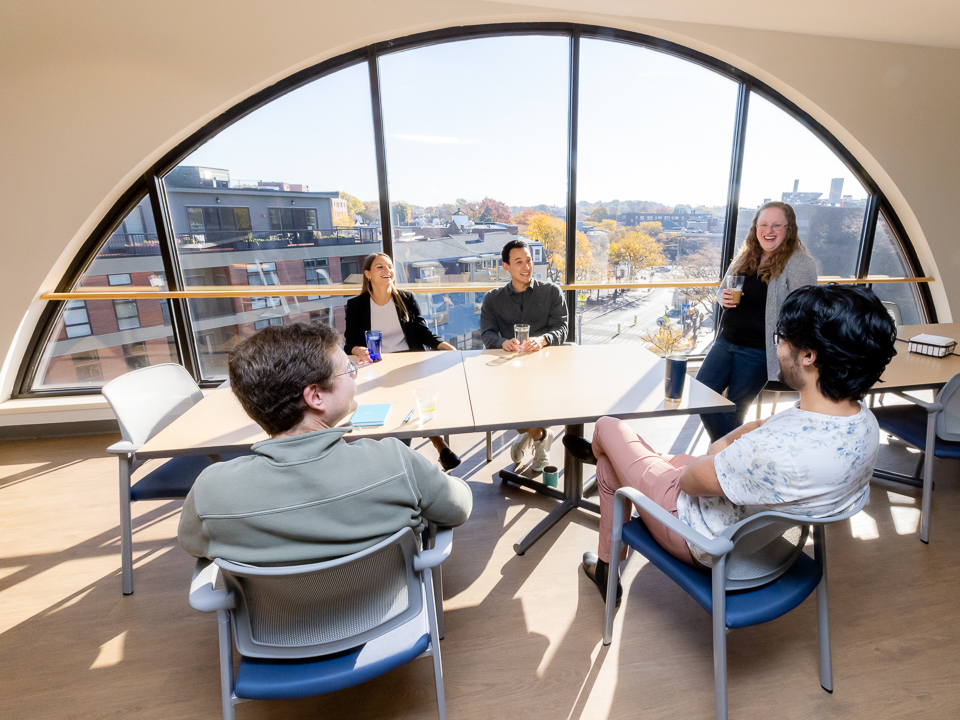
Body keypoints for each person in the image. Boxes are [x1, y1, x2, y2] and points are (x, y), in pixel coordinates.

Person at [563, 285, 896, 605]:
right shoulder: (863, 424)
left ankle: (605, 462)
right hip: (764, 540)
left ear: (808, 355)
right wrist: (725, 450)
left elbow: (690, 481)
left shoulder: (772, 453)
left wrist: (719, 449)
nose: (777, 349)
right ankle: (607, 553)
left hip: (700, 537)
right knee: (617, 466)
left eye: (781, 340)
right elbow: (762, 427)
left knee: (608, 428)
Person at [178, 323, 473, 564]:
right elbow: (458, 507)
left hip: (277, 629)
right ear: (315, 396)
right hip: (387, 613)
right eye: (347, 369)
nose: (354, 374)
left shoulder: (211, 490)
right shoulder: (394, 463)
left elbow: (194, 545)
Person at [696, 201, 817, 443]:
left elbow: (806, 310)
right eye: (763, 224)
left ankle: (721, 459)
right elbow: (722, 290)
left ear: (789, 228)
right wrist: (723, 297)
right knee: (701, 394)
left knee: (734, 408)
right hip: (726, 340)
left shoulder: (799, 263)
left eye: (776, 225)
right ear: (755, 227)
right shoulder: (748, 253)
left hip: (759, 349)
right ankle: (726, 456)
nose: (768, 231)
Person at [344, 252, 462, 471]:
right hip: (376, 365)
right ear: (368, 274)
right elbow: (349, 344)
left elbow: (423, 332)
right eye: (380, 267)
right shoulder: (356, 305)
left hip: (409, 360)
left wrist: (443, 346)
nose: (387, 270)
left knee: (413, 398)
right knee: (396, 405)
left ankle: (427, 449)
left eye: (389, 266)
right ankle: (435, 448)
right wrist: (358, 349)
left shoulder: (405, 298)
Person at [480, 238, 568, 470]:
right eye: (518, 261)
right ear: (506, 266)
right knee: (507, 398)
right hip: (509, 368)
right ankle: (539, 435)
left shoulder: (551, 292)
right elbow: (487, 333)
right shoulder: (493, 298)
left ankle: (530, 434)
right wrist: (502, 342)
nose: (526, 266)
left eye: (528, 260)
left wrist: (544, 339)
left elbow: (562, 328)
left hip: (547, 366)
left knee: (534, 397)